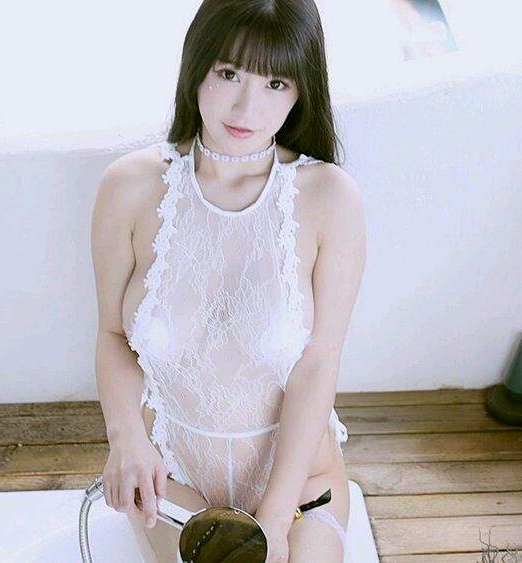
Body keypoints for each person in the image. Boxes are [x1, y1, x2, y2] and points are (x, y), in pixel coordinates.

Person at [89, 1, 366, 561]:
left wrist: (273, 522)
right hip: (174, 482)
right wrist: (125, 436)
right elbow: (113, 336)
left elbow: (319, 363)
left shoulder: (330, 198)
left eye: (275, 83)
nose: (246, 108)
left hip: (298, 492)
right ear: (197, 67)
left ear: (301, 90)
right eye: (229, 73)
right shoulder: (128, 188)